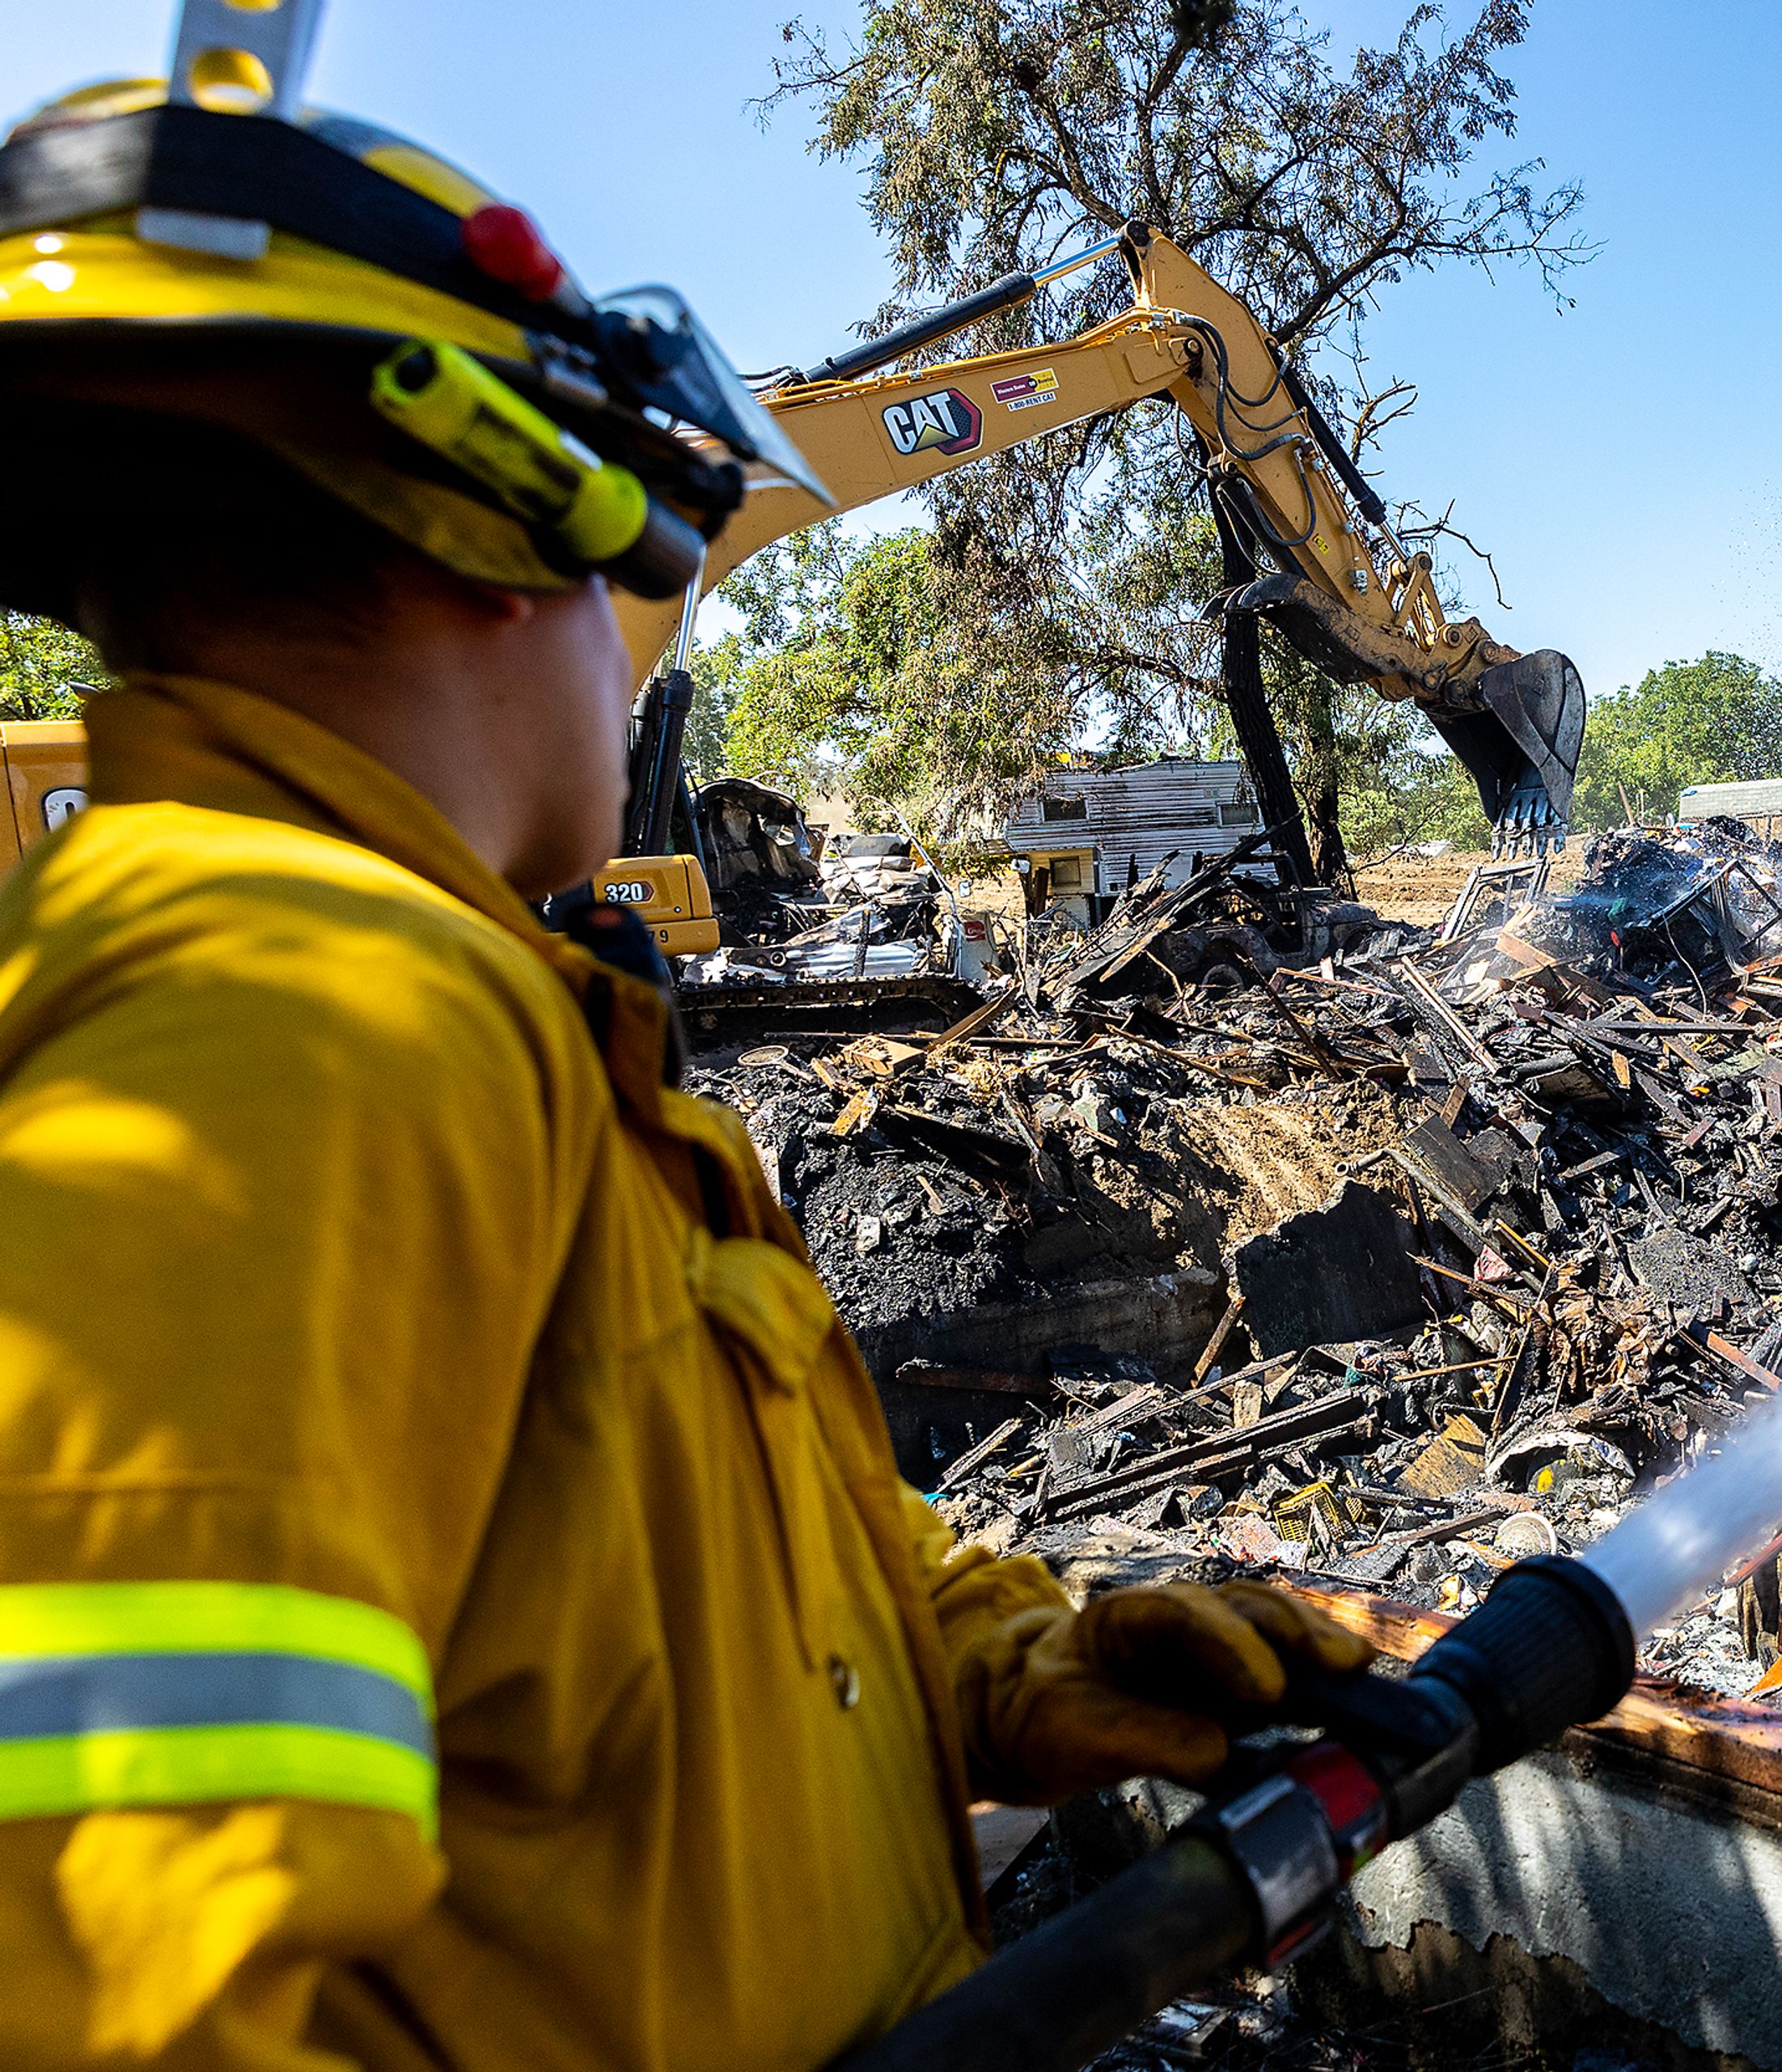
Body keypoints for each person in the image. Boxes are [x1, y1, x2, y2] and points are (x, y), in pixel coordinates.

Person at [0, 53, 1365, 2072]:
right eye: (645, 557)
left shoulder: (453, 1028)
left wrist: (1008, 1656)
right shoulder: (301, 1036)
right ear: (497, 517)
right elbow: (114, 1981)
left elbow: (648, 1549)